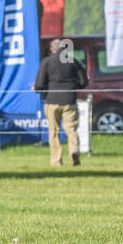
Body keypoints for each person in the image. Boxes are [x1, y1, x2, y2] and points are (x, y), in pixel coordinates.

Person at [33, 38, 88, 168]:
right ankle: (74, 151)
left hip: (52, 101)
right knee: (71, 129)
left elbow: (39, 84)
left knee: (54, 131)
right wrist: (73, 86)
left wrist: (38, 88)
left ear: (52, 50)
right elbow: (83, 82)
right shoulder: (73, 62)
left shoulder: (46, 62)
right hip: (70, 100)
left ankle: (56, 161)